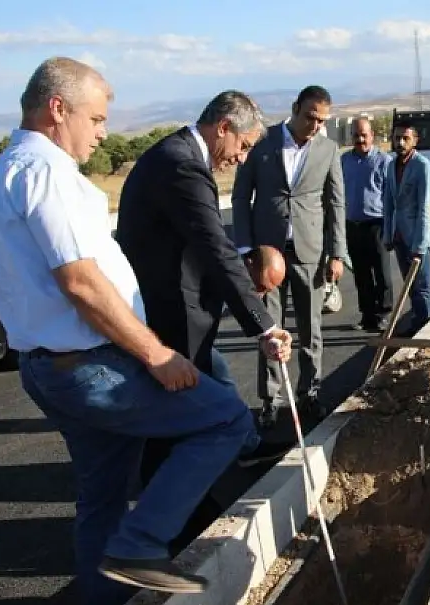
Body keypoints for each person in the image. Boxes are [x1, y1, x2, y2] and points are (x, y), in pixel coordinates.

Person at [0, 57, 291, 605]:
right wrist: (157, 354)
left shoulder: (6, 171)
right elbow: (82, 282)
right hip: (93, 366)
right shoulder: (45, 172)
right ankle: (142, 543)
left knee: (101, 500)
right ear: (57, 109)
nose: (102, 131)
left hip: (52, 364)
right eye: (95, 119)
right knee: (225, 421)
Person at [115, 90, 296, 557]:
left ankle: (179, 521)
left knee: (179, 418)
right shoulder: (181, 165)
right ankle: (165, 533)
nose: (242, 157)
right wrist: (264, 326)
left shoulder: (176, 159)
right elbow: (212, 247)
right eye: (244, 145)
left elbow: (200, 245)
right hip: (170, 316)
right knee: (190, 420)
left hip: (176, 309)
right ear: (223, 128)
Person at [231, 85, 347, 426]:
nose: (315, 125)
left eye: (322, 121)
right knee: (269, 329)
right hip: (267, 255)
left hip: (309, 253)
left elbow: (335, 203)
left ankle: (309, 393)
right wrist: (245, 248)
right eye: (310, 117)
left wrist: (337, 253)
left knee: (311, 329)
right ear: (295, 108)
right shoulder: (262, 143)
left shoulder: (328, 149)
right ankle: (271, 399)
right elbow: (240, 198)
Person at [382, 121, 430, 337]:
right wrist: (388, 233)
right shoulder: (391, 165)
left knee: (422, 286)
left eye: (405, 138)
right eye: (397, 138)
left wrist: (420, 244)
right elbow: (388, 202)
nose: (400, 143)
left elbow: (426, 206)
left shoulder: (423, 166)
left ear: (415, 141)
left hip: (416, 237)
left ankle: (424, 328)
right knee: (409, 284)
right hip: (398, 235)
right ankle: (416, 322)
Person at [341, 116, 394, 332]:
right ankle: (367, 315)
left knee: (381, 273)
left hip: (377, 224)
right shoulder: (344, 161)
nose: (360, 139)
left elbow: (391, 196)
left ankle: (383, 313)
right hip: (353, 225)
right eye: (356, 135)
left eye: (364, 135)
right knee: (361, 274)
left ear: (372, 136)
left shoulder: (384, 161)